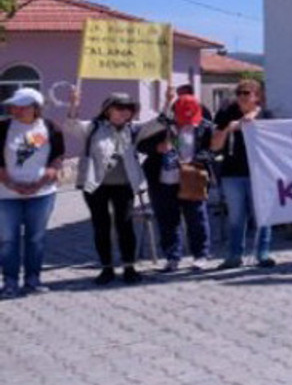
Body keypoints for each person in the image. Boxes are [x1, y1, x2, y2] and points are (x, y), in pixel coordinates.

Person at [65, 89, 153, 285]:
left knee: (125, 226)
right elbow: (71, 126)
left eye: (129, 108)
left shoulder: (133, 129)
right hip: (96, 186)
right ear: (107, 110)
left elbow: (156, 124)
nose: (125, 112)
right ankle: (106, 269)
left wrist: (168, 101)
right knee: (101, 227)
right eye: (120, 107)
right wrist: (73, 104)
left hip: (124, 185)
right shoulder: (93, 127)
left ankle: (129, 267)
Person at [137, 93, 214, 271]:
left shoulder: (205, 127)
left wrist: (196, 160)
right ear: (174, 113)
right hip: (163, 181)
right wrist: (156, 148)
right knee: (167, 221)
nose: (187, 122)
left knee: (197, 219)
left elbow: (213, 151)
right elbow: (140, 144)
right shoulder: (161, 126)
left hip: (192, 178)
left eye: (190, 118)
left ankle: (200, 255)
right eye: (183, 118)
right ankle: (172, 257)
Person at [0, 88, 66, 297]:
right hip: (6, 194)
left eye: (22, 106)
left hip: (42, 193)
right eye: (13, 106)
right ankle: (10, 282)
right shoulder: (3, 128)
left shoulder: (50, 128)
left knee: (35, 238)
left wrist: (46, 176)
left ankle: (33, 280)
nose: (15, 110)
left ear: (35, 108)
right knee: (8, 239)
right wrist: (11, 184)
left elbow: (58, 156)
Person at [212, 78, 276, 269]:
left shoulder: (267, 116)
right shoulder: (226, 114)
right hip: (233, 173)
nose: (241, 97)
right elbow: (215, 146)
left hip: (259, 173)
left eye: (246, 93)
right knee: (236, 217)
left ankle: (263, 253)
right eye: (239, 93)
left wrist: (254, 119)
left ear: (256, 96)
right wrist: (228, 129)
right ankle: (234, 255)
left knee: (263, 216)